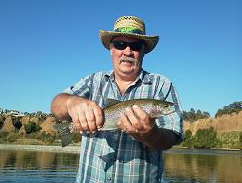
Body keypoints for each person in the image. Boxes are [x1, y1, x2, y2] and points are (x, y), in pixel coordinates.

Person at [51, 15, 183, 183]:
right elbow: (56, 103)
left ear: (143, 51)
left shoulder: (162, 85)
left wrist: (151, 135)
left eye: (135, 46)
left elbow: (172, 137)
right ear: (111, 49)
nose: (127, 51)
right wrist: (71, 102)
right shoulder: (93, 81)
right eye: (120, 44)